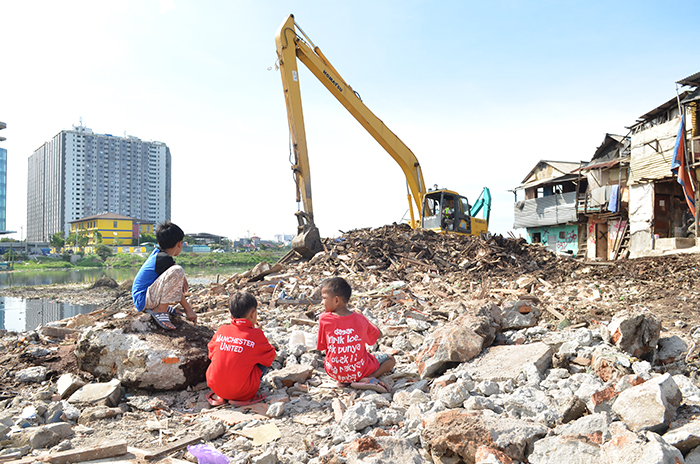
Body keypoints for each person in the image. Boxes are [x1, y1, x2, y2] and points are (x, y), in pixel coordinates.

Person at [316, 277, 395, 393]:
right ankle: (368, 377)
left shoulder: (324, 319)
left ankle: (344, 380)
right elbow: (379, 334)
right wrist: (364, 317)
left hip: (335, 371)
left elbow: (322, 346)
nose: (322, 302)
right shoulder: (360, 319)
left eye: (324, 298)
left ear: (336, 300)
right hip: (358, 370)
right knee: (390, 359)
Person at [206, 292, 276, 406]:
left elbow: (211, 353)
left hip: (215, 387)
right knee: (264, 356)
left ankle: (221, 394)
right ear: (253, 314)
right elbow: (272, 356)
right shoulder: (256, 335)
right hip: (242, 392)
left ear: (231, 316)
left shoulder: (221, 330)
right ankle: (242, 396)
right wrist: (257, 336)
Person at [131, 220, 197, 330]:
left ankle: (159, 306)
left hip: (142, 299)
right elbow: (174, 272)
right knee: (178, 270)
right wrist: (189, 310)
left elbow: (172, 285)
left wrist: (181, 277)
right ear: (179, 244)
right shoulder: (163, 259)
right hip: (143, 299)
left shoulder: (159, 255)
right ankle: (160, 310)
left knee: (177, 270)